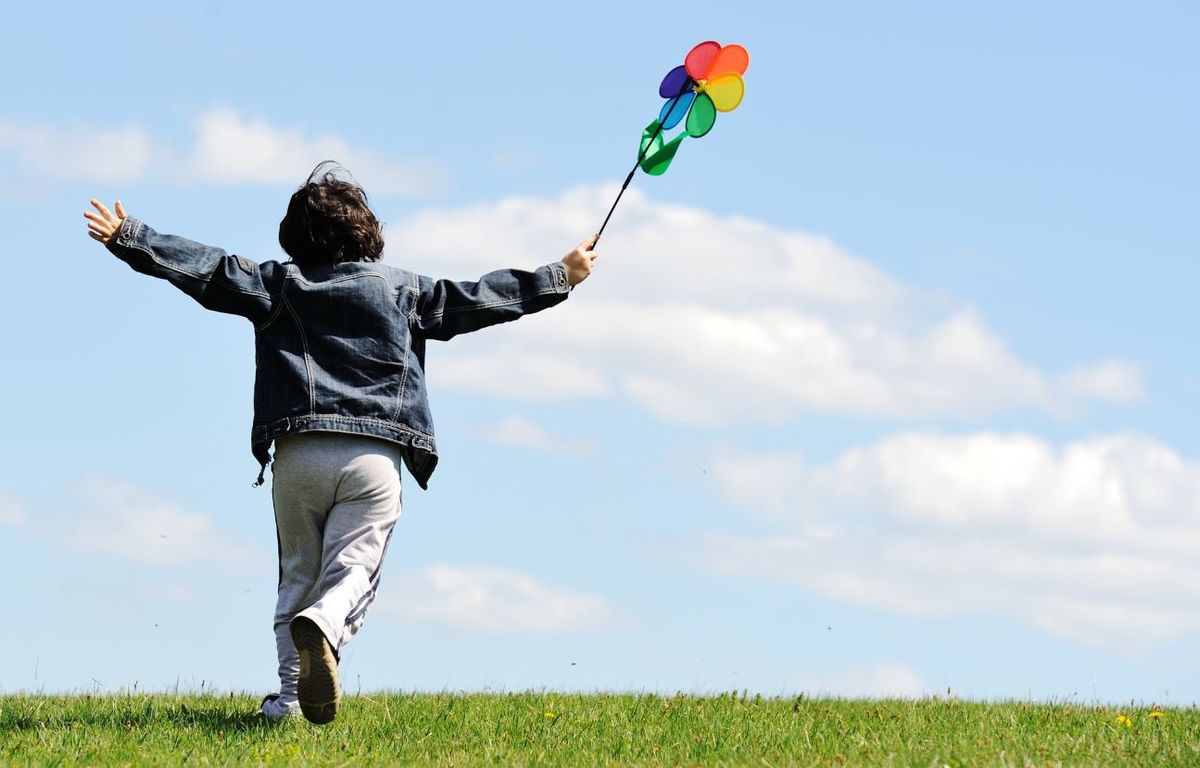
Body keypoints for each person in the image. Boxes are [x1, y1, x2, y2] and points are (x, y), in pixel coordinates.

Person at [84, 162, 599, 724]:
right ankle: (327, 624)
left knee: (297, 577)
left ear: (294, 236)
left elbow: (208, 270)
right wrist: (559, 276)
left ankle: (288, 702)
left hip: (299, 455)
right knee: (354, 569)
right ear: (367, 232)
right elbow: (479, 300)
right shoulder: (405, 290)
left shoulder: (277, 284)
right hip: (373, 457)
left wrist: (130, 236)